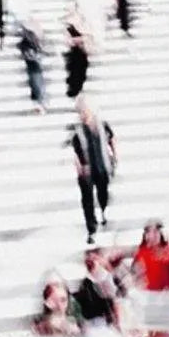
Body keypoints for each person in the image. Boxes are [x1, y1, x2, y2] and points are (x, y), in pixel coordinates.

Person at [69, 96, 116, 243]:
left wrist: (114, 156)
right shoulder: (76, 130)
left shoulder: (102, 125)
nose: (82, 114)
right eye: (80, 111)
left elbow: (112, 139)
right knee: (87, 200)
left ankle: (103, 209)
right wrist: (78, 166)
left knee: (103, 193)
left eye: (85, 111)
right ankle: (92, 228)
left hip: (102, 167)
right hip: (86, 171)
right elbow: (72, 150)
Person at [17, 17, 48, 113]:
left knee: (37, 85)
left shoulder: (30, 42)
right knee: (36, 85)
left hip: (35, 68)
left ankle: (41, 104)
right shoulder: (25, 44)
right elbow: (30, 55)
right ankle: (40, 104)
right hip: (33, 68)